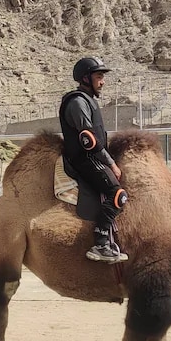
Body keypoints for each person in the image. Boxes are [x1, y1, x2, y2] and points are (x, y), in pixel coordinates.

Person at [59, 56, 128, 263]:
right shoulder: (78, 102)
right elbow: (88, 139)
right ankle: (100, 244)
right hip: (85, 159)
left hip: (91, 156)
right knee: (118, 195)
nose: (103, 81)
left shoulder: (87, 100)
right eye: (99, 76)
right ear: (86, 78)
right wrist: (111, 163)